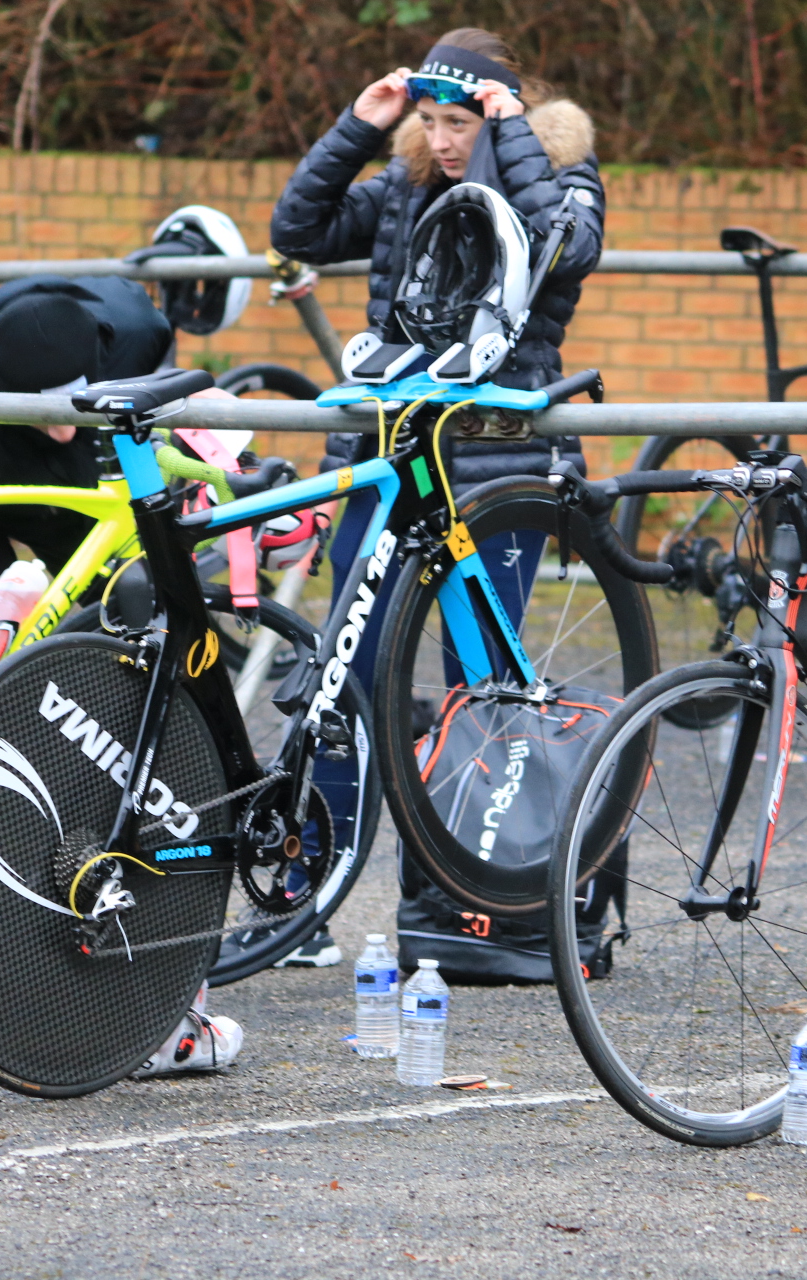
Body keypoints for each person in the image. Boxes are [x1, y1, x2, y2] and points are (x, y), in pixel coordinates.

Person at [267, 27, 605, 977]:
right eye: (430, 119)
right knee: (348, 673)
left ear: (504, 111)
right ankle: (304, 893)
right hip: (389, 451)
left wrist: (512, 143)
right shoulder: (408, 182)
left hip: (495, 469)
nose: (443, 139)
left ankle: (473, 900)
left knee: (481, 684)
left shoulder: (563, 169)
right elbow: (297, 233)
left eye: (460, 121)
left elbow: (565, 248)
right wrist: (358, 126)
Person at [0, 273, 172, 704]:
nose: (60, 432)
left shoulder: (133, 331)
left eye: (69, 411)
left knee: (132, 587)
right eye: (45, 416)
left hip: (83, 461)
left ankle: (151, 710)